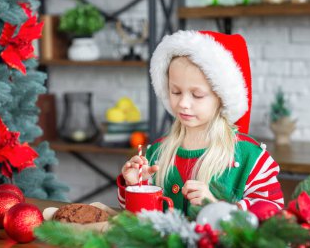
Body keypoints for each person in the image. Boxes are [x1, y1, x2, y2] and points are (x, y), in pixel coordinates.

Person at [117, 30, 284, 219]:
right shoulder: (156, 153)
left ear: (222, 97)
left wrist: (218, 208)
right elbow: (135, 222)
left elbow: (273, 213)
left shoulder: (250, 157)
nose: (183, 104)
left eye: (197, 95)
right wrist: (134, 186)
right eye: (176, 92)